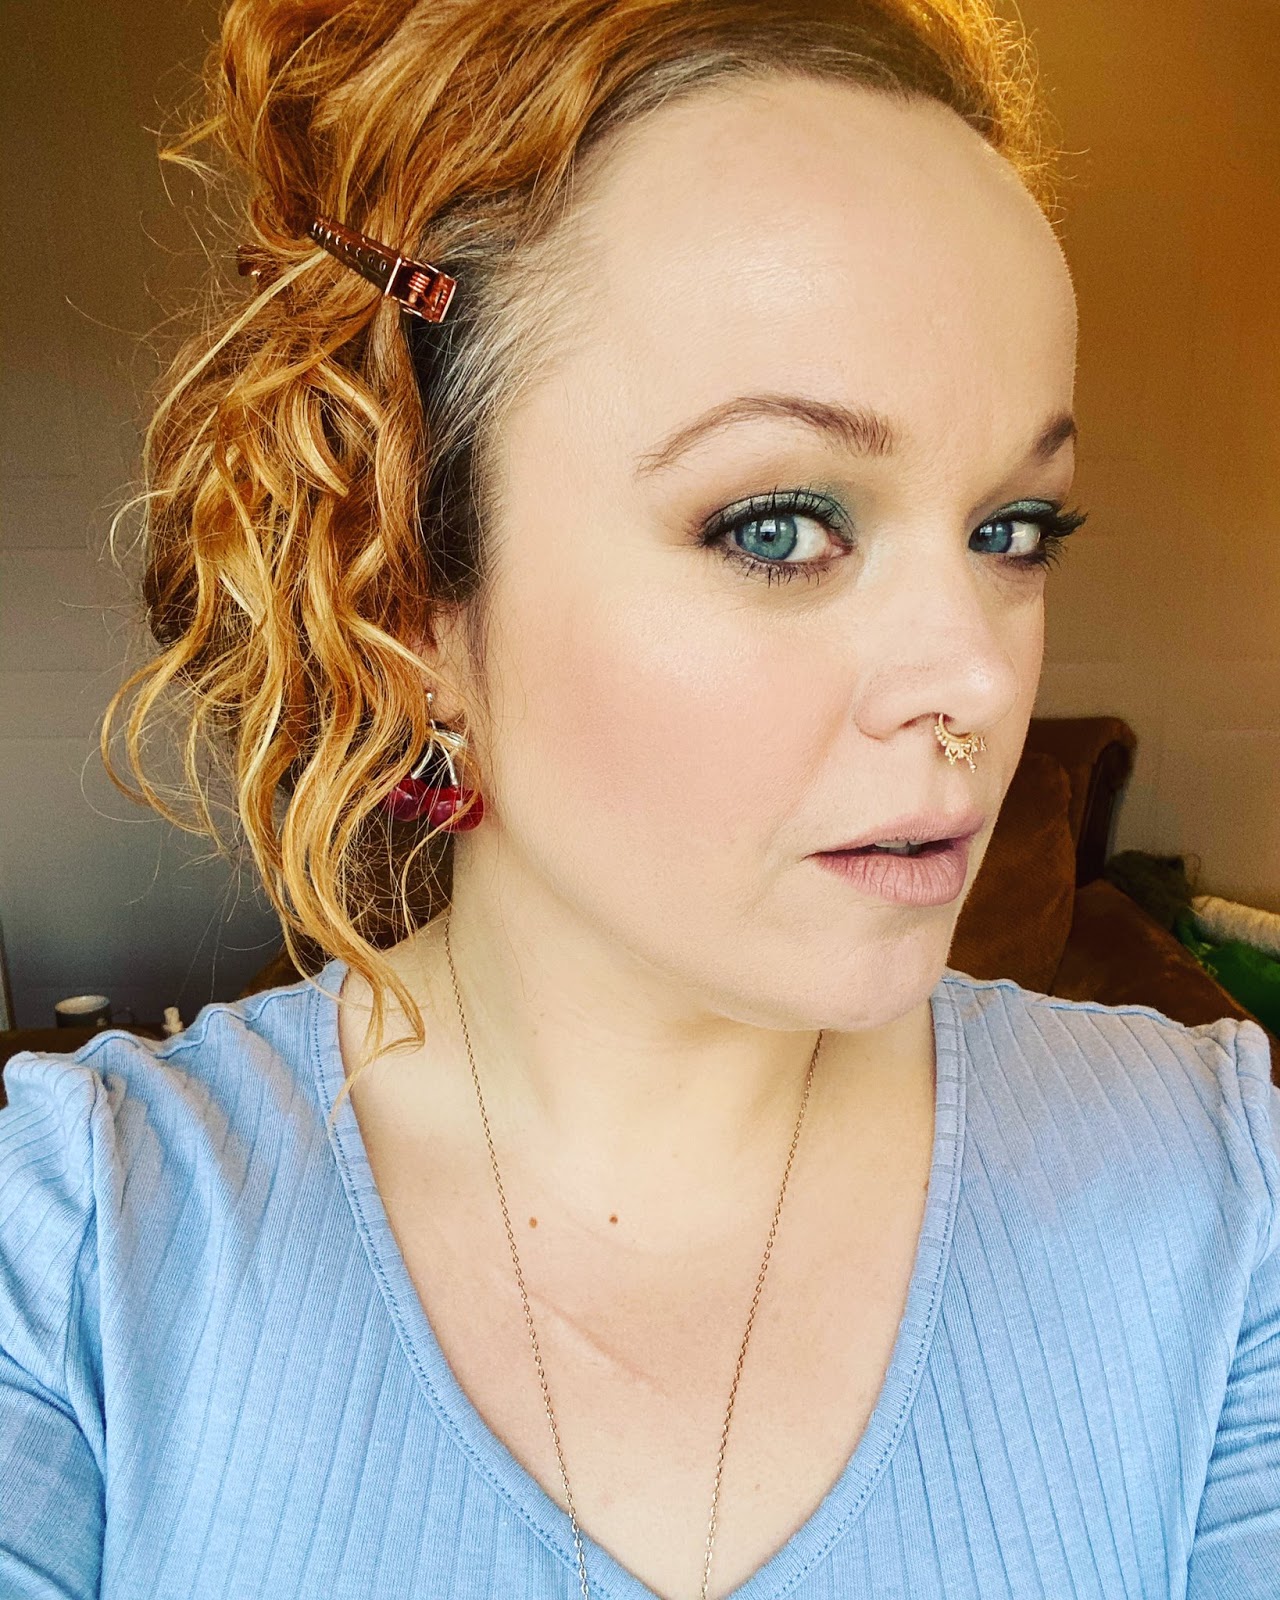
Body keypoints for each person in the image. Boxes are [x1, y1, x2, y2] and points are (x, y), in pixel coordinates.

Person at [2, 1, 1276, 1595]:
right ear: (411, 600)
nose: (972, 677)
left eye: (1015, 530)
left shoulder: (1224, 1202)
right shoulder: (75, 1257)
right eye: (779, 524)